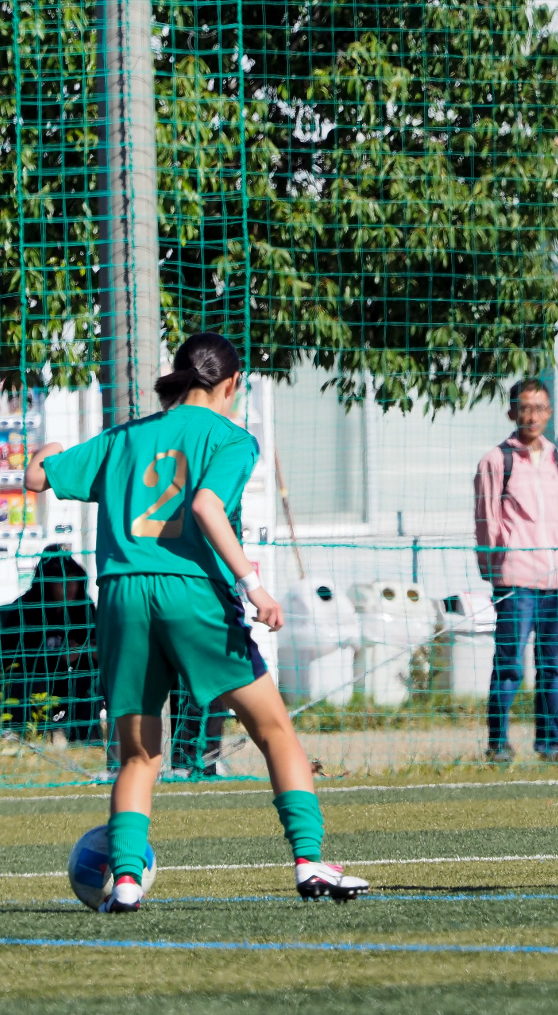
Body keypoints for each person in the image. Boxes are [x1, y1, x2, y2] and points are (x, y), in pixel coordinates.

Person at [25, 332, 369, 911]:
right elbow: (207, 506)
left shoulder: (125, 436)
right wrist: (253, 585)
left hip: (121, 595)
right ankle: (310, 862)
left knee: (139, 755)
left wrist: (45, 450)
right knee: (274, 731)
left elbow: (39, 478)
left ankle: (127, 881)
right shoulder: (231, 438)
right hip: (193, 596)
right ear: (232, 384)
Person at [474, 378, 558, 764]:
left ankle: (552, 745)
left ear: (550, 413)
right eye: (526, 408)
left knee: (551, 667)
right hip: (515, 577)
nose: (533, 416)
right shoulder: (496, 460)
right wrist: (491, 570)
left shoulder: (557, 458)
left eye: (541, 409)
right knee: (510, 664)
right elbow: (486, 520)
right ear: (512, 412)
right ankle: (498, 742)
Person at [0, 546, 101, 743]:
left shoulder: (84, 607)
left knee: (91, 679)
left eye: (73, 580)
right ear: (47, 583)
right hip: (32, 679)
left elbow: (93, 642)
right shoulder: (27, 609)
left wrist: (91, 651)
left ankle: (86, 736)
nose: (69, 586)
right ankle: (39, 732)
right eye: (61, 581)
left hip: (76, 675)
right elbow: (11, 659)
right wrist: (58, 657)